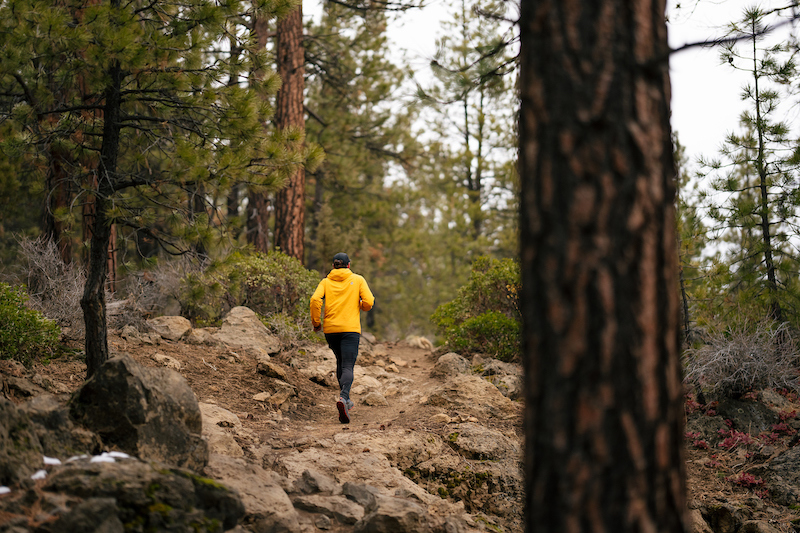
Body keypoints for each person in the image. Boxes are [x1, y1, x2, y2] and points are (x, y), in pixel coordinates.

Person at [310, 252, 375, 424]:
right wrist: (359, 304)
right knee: (347, 364)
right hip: (350, 330)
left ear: (333, 266)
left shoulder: (325, 282)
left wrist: (316, 323)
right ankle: (344, 397)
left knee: (340, 361)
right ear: (348, 265)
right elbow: (368, 303)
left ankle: (345, 400)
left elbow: (315, 300)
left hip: (331, 330)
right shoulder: (358, 280)